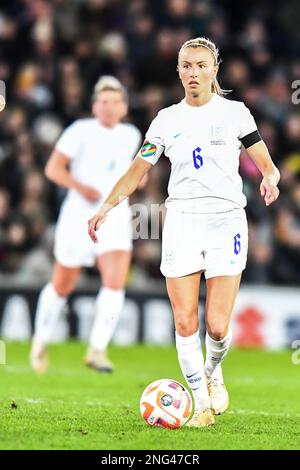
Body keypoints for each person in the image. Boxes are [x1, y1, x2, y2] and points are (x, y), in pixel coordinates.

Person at [88, 37, 280, 427]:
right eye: (186, 66)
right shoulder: (166, 120)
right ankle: (200, 404)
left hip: (226, 221)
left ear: (214, 70)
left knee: (218, 327)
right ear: (178, 71)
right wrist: (106, 206)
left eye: (200, 65)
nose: (193, 73)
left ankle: (212, 371)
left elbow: (266, 163)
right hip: (182, 224)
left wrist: (271, 177)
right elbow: (137, 171)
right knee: (185, 322)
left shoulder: (236, 113)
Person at [30, 76, 142, 374]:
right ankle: (40, 341)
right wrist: (80, 187)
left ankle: (97, 349)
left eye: (114, 102)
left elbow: (136, 171)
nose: (108, 107)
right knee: (62, 284)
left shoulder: (131, 134)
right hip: (79, 214)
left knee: (115, 282)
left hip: (116, 215)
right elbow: (53, 169)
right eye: (103, 102)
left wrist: (136, 182)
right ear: (94, 106)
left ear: (124, 107)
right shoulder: (79, 131)